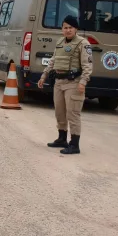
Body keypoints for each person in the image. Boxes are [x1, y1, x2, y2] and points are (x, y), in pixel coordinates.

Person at [38, 15, 93, 155]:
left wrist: (83, 82)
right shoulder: (60, 42)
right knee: (60, 112)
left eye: (70, 28)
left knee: (73, 113)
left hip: (73, 83)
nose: (68, 30)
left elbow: (88, 65)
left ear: (76, 29)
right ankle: (62, 139)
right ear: (62, 29)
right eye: (65, 27)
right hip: (59, 82)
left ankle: (74, 144)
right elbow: (53, 60)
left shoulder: (83, 44)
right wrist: (44, 75)